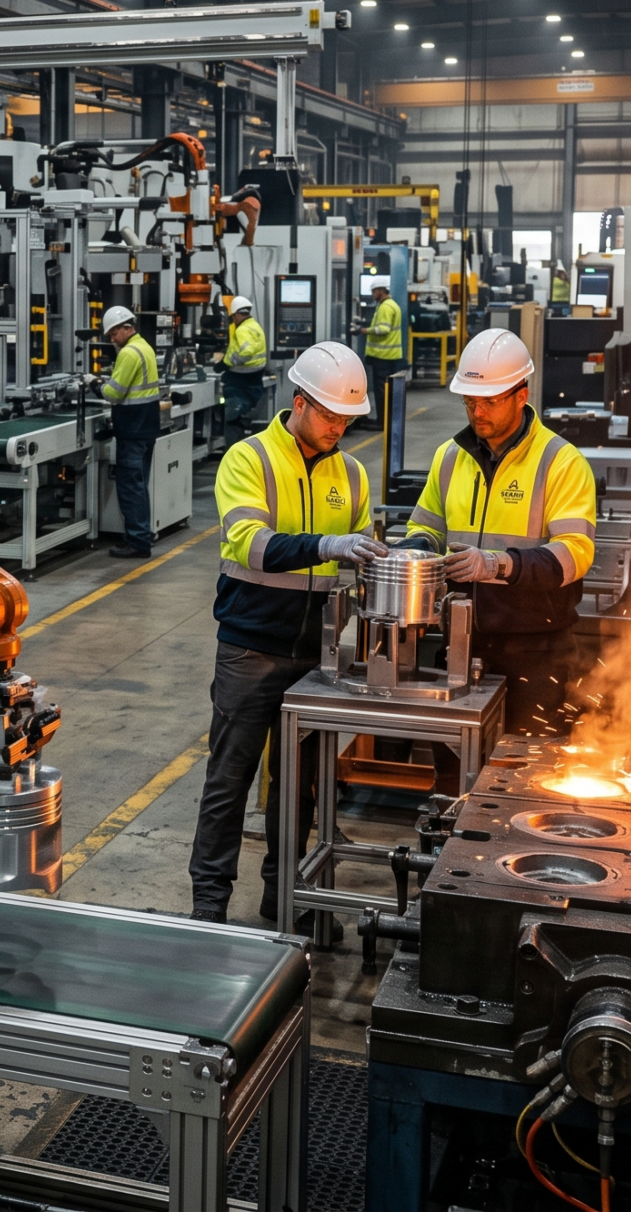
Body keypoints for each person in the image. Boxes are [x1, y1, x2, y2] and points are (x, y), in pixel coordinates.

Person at [189, 341, 386, 924]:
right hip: (251, 647)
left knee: (297, 790)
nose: (339, 428)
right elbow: (248, 542)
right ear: (299, 402)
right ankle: (209, 907)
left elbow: (360, 554)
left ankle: (286, 900)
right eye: (329, 415)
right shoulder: (248, 459)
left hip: (317, 654)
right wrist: (327, 546)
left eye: (348, 419)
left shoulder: (350, 473)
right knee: (229, 781)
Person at [398, 328, 598, 734]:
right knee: (454, 770)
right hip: (460, 643)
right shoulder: (450, 456)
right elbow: (425, 525)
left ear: (520, 396)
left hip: (536, 652)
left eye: (488, 402)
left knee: (522, 776)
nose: (477, 413)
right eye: (470, 402)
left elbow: (576, 553)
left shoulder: (561, 462)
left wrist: (497, 565)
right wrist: (413, 551)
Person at [100, 305, 163, 559]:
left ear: (124, 328)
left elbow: (114, 393)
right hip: (146, 428)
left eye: (113, 334)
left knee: (131, 488)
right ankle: (142, 535)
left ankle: (137, 542)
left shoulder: (128, 353)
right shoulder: (145, 347)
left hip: (132, 430)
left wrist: (94, 385)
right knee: (140, 486)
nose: (112, 339)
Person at [219, 295, 269, 440]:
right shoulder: (255, 326)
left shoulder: (242, 330)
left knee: (233, 419)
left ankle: (232, 451)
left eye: (233, 316)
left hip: (240, 381)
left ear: (237, 314)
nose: (233, 320)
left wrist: (227, 363)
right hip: (254, 379)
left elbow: (246, 352)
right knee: (241, 417)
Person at [359, 283, 405, 431]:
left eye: (374, 291)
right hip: (390, 355)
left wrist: (366, 330)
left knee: (381, 392)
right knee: (386, 391)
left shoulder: (385, 307)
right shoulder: (392, 305)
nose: (372, 294)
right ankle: (385, 420)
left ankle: (381, 421)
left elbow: (384, 329)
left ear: (381, 291)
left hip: (382, 356)